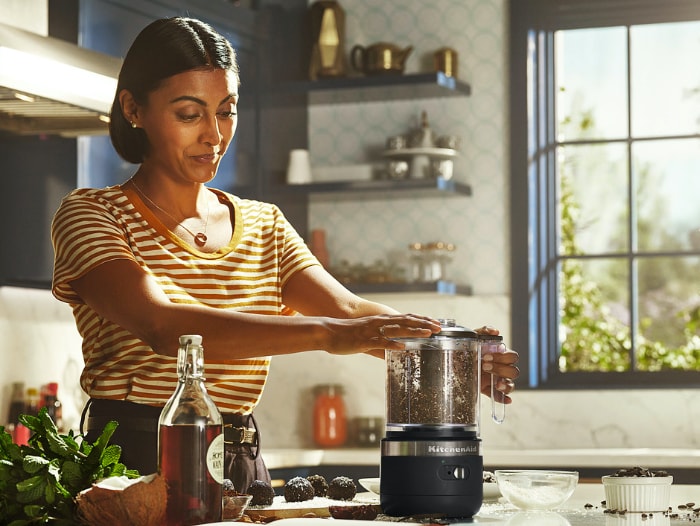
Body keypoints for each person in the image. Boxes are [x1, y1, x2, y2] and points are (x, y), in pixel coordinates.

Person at [51, 17, 519, 492]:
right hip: (132, 463)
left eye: (227, 111)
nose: (214, 135)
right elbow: (162, 326)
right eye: (190, 114)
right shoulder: (92, 213)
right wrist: (329, 335)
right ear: (134, 108)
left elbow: (351, 311)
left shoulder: (263, 224)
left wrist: (450, 354)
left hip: (239, 461)